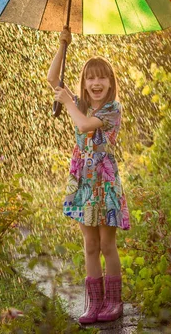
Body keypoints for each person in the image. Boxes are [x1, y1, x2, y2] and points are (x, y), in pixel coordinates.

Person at [48, 26, 131, 324]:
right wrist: (62, 44)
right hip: (83, 182)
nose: (96, 82)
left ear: (111, 83)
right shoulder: (80, 103)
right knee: (90, 246)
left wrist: (69, 103)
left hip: (104, 182)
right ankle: (94, 304)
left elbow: (84, 126)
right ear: (84, 83)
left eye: (102, 77)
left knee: (107, 245)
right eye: (90, 77)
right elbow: (53, 79)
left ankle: (114, 302)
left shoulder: (112, 110)